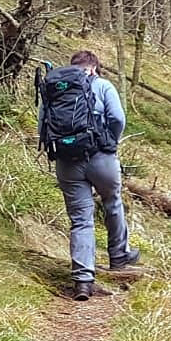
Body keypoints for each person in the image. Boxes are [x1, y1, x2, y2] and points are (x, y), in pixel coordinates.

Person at [38, 50, 140, 301]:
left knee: (81, 220)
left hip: (66, 161)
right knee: (112, 202)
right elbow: (117, 118)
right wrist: (110, 142)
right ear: (93, 68)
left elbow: (42, 124)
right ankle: (118, 256)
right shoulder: (103, 85)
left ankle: (83, 280)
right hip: (101, 157)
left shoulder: (54, 89)